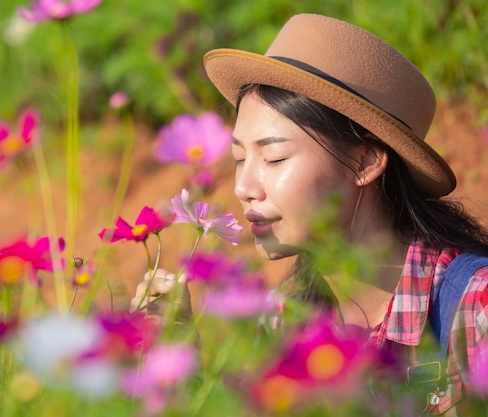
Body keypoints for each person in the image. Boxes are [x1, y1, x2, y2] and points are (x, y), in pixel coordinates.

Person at [132, 14, 488, 415]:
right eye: (238, 158)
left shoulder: (474, 309)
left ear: (366, 161)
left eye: (273, 157)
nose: (243, 188)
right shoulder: (284, 316)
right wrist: (181, 362)